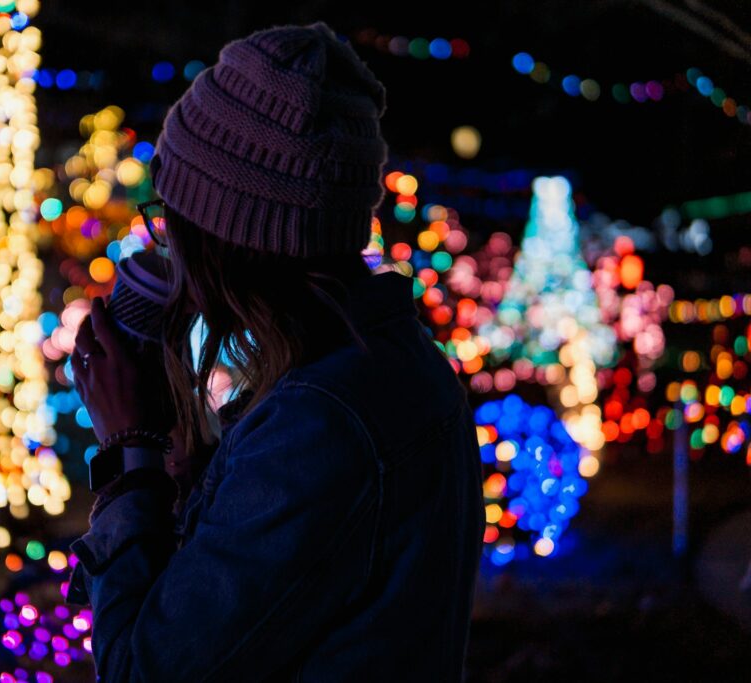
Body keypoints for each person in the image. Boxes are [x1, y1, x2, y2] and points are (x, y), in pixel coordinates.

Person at [66, 20, 485, 682]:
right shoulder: (387, 367)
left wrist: (129, 450)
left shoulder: (319, 425)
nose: (164, 247)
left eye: (171, 220)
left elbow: (142, 668)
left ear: (224, 239)